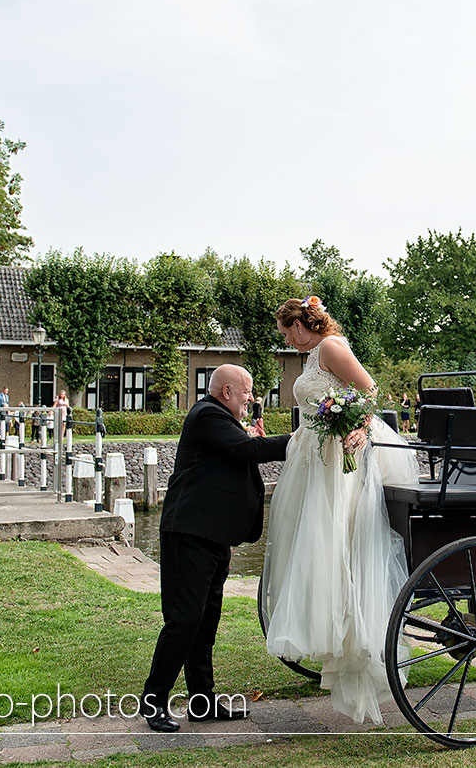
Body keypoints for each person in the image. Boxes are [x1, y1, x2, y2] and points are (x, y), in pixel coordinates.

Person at [262, 297, 419, 725]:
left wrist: (359, 427)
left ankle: (354, 631)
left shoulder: (330, 346)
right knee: (315, 543)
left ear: (299, 323)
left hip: (337, 455)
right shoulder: (313, 354)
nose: (286, 340)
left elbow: (368, 390)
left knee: (338, 538)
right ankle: (331, 629)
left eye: (286, 332)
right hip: (315, 455)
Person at [141, 364, 291, 733]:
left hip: (211, 537)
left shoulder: (219, 418)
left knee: (205, 621)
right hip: (188, 534)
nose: (251, 398)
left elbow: (242, 454)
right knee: (184, 620)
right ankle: (153, 701)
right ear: (226, 392)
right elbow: (250, 449)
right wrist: (304, 437)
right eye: (247, 392)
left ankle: (202, 702)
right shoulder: (207, 415)